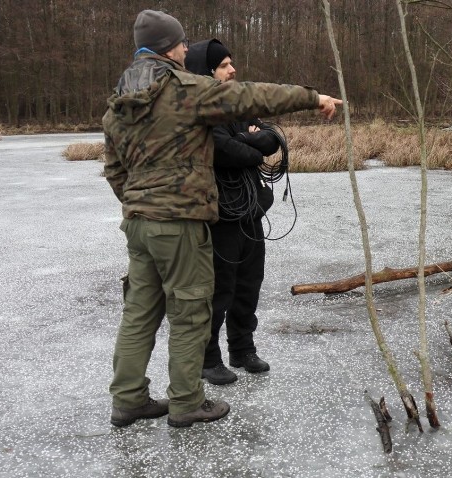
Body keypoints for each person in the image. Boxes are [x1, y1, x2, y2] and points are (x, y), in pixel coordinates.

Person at [103, 10, 341, 428]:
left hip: (139, 223)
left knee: (140, 310)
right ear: (167, 48)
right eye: (179, 43)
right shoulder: (186, 90)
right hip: (178, 223)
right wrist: (312, 97)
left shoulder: (120, 101)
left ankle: (128, 399)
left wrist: (140, 202)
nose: (183, 49)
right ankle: (187, 402)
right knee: (192, 310)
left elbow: (114, 169)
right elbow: (252, 96)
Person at [184, 39, 275, 385]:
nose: (232, 70)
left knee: (249, 285)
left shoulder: (238, 106)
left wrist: (252, 140)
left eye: (231, 63)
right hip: (219, 216)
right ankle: (209, 359)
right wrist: (253, 144)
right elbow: (222, 150)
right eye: (223, 65)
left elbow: (271, 139)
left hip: (250, 212)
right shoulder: (200, 110)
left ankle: (242, 349)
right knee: (218, 290)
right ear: (206, 71)